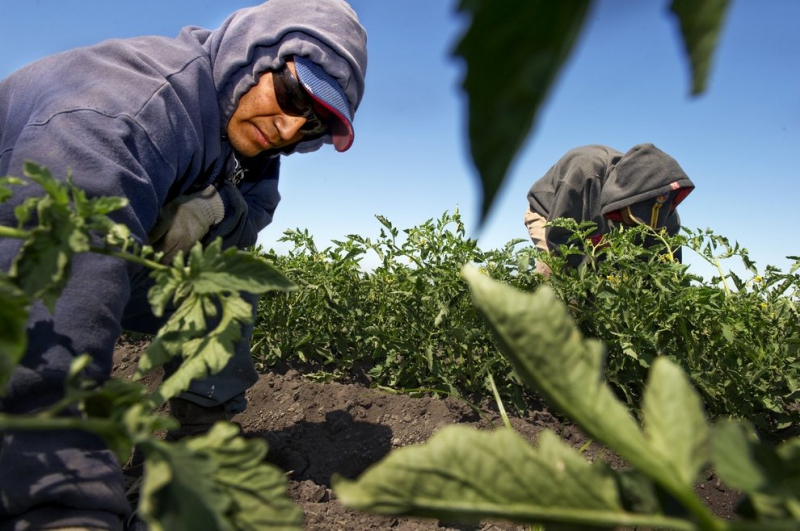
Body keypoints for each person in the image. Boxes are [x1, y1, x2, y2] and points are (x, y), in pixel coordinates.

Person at [0, 0, 367, 529]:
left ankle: (196, 442)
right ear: (250, 56)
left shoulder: (253, 144)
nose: (289, 129)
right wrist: (63, 501)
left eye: (312, 125)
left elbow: (256, 215)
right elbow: (60, 297)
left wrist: (214, 204)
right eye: (291, 94)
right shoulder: (125, 111)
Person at [524, 143, 695, 276]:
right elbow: (560, 238)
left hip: (599, 216)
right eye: (635, 219)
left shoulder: (662, 204)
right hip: (552, 214)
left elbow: (668, 258)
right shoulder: (585, 173)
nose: (638, 229)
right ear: (626, 198)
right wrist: (595, 279)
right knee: (558, 278)